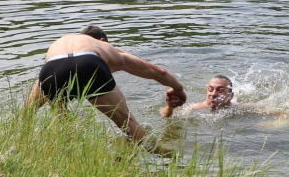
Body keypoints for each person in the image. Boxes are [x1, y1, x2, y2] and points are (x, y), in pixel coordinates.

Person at [26, 25, 187, 143]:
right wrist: (178, 89)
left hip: (51, 70)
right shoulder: (104, 47)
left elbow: (35, 102)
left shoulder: (60, 44)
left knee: (61, 120)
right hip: (88, 64)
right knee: (128, 123)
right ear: (103, 41)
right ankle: (163, 155)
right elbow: (157, 71)